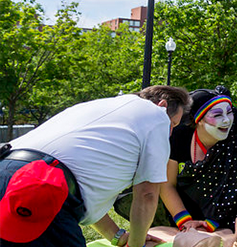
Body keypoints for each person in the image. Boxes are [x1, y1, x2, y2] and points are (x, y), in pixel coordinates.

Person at [0, 86, 190, 247]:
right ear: (162, 106)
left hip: (9, 169)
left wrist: (118, 237)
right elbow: (147, 194)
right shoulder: (156, 116)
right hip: (39, 186)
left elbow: (80, 192)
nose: (170, 133)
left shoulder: (97, 109)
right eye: (172, 124)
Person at [158, 87, 237, 241]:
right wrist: (185, 221)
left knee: (233, 236)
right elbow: (166, 184)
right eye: (217, 115)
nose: (226, 120)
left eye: (229, 113)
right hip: (187, 208)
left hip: (232, 209)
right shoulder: (179, 136)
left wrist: (211, 223)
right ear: (198, 120)